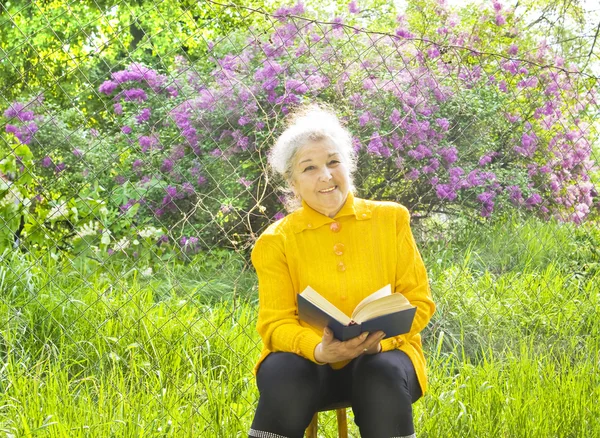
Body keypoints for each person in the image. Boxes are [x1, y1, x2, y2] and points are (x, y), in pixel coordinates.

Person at [248, 103, 436, 438]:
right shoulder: (275, 241)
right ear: (293, 183)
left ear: (347, 166)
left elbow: (419, 302)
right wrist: (320, 349)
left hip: (383, 358)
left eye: (333, 162)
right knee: (285, 371)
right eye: (309, 168)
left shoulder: (391, 219)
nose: (326, 175)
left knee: (380, 373)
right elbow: (274, 325)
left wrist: (378, 344)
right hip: (312, 367)